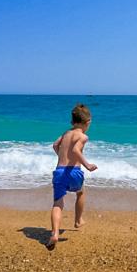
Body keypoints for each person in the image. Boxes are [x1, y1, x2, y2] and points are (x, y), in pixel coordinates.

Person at [47, 104, 98, 250]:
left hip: (60, 171)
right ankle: (78, 220)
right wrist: (87, 165)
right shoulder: (83, 136)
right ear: (87, 122)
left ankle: (55, 233)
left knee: (57, 203)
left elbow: (55, 145)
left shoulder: (66, 133)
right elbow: (76, 150)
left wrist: (62, 157)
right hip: (74, 171)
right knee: (80, 192)